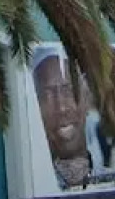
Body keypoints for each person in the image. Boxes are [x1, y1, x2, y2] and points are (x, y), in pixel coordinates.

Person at [33, 52, 98, 191]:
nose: (61, 108)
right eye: (48, 95)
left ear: (86, 99)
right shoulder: (35, 187)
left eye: (68, 91)